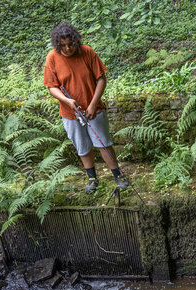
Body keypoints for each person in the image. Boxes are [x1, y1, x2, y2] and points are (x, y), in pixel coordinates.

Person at [43, 22, 128, 193]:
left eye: (70, 44)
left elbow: (101, 79)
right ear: (57, 44)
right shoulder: (52, 57)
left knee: (104, 143)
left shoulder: (87, 52)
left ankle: (118, 176)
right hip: (70, 112)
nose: (67, 49)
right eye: (63, 46)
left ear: (76, 41)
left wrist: (93, 104)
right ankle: (92, 179)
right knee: (82, 146)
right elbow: (52, 87)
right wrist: (67, 101)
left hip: (94, 110)